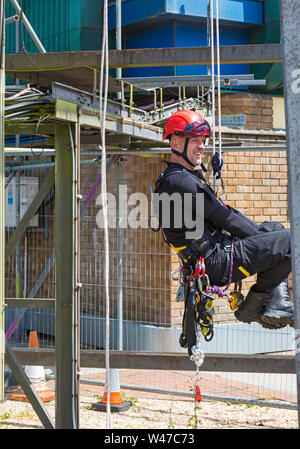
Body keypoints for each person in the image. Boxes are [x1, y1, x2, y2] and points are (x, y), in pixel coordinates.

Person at [154, 109, 294, 329]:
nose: (202, 147)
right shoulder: (181, 183)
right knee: (290, 242)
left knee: (275, 229)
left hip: (214, 253)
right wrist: (264, 242)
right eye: (195, 142)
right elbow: (226, 217)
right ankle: (255, 306)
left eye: (203, 141)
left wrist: (264, 236)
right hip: (216, 262)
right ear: (175, 144)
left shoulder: (178, 178)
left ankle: (275, 302)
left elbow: (225, 212)